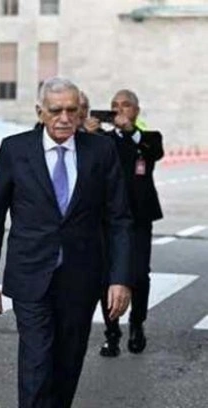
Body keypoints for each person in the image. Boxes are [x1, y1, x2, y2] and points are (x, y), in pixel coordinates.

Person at [0, 77, 133, 407]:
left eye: (72, 110)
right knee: (36, 364)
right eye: (56, 110)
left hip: (81, 278)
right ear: (40, 112)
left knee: (68, 363)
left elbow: (119, 219)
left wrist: (120, 278)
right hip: (30, 276)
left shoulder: (101, 151)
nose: (64, 118)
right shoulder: (15, 149)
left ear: (81, 112)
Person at [98, 89, 163, 357]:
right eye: (114, 105)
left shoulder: (149, 138)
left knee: (138, 273)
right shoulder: (102, 140)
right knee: (107, 274)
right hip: (108, 217)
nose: (119, 109)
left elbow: (153, 153)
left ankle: (137, 324)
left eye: (125, 105)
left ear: (136, 110)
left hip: (139, 217)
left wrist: (130, 132)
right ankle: (112, 332)